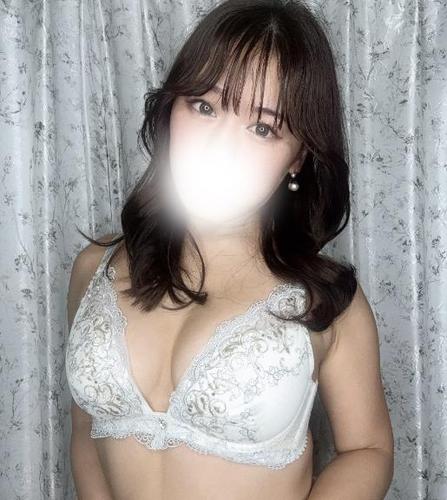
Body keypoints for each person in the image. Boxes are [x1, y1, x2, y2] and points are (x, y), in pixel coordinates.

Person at [65, 0, 394, 498]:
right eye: (205, 106)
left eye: (262, 128)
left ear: (298, 157)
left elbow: (368, 448)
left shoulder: (324, 301)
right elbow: (86, 435)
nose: (221, 145)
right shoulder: (95, 268)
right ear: (172, 108)